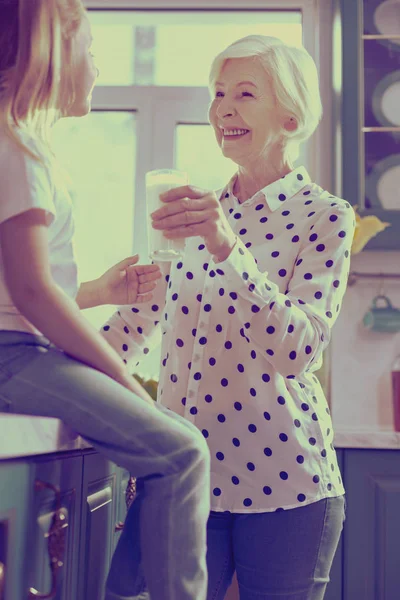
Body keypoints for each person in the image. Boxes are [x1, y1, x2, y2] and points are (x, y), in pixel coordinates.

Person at [102, 35, 356, 600]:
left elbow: (298, 350)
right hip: (184, 484)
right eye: (218, 94)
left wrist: (226, 247)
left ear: (290, 115)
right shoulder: (189, 214)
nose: (223, 109)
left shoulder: (326, 217)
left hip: (287, 485)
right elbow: (129, 332)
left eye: (244, 93)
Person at [0, 2, 211, 599]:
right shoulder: (19, 150)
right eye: (91, 52)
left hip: (18, 348)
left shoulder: (17, 146)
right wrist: (117, 372)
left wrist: (101, 292)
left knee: (170, 449)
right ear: (54, 54)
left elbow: (25, 286)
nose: (98, 68)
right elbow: (32, 293)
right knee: (181, 451)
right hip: (15, 357)